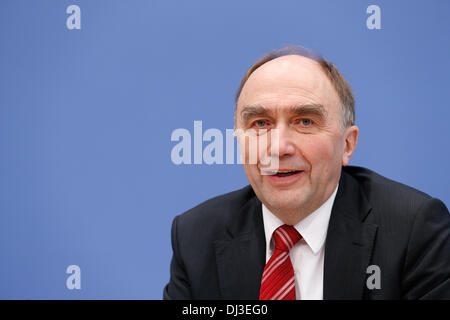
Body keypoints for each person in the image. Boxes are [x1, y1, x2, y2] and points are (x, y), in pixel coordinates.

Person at [163, 46, 450, 300]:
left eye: (304, 121)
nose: (279, 148)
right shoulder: (196, 236)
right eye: (261, 124)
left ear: (347, 145)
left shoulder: (413, 230)